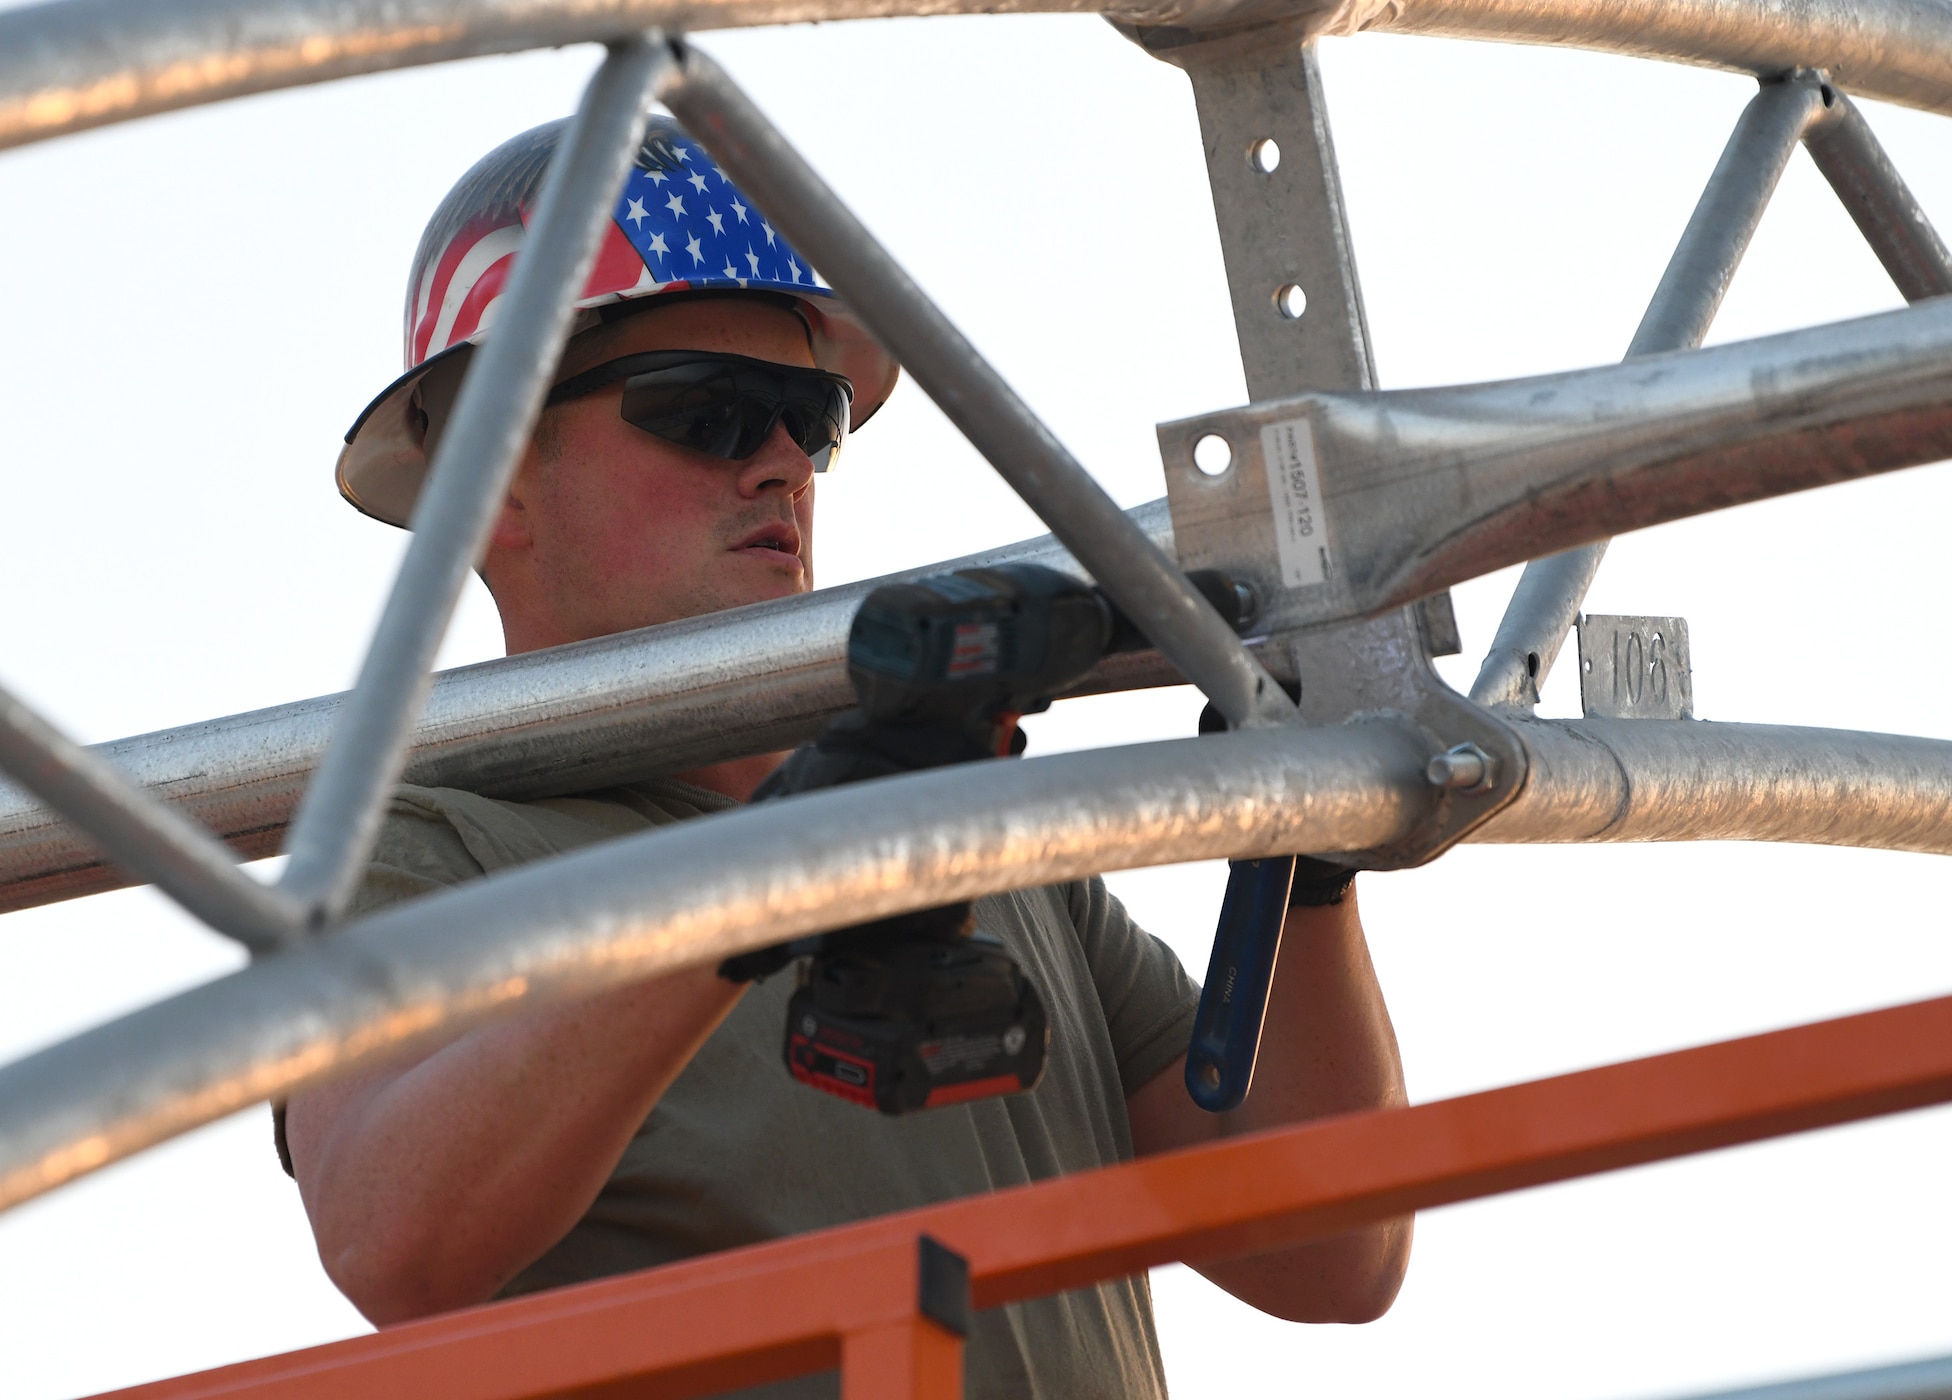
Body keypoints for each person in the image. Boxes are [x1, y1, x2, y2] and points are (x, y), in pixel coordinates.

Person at [280, 114, 1412, 1398]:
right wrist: (776, 875)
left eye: (808, 420)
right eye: (706, 413)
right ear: (492, 481)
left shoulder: (975, 827)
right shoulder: (424, 844)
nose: (780, 466)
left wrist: (1307, 865)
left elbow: (1336, 1248)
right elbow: (392, 1239)